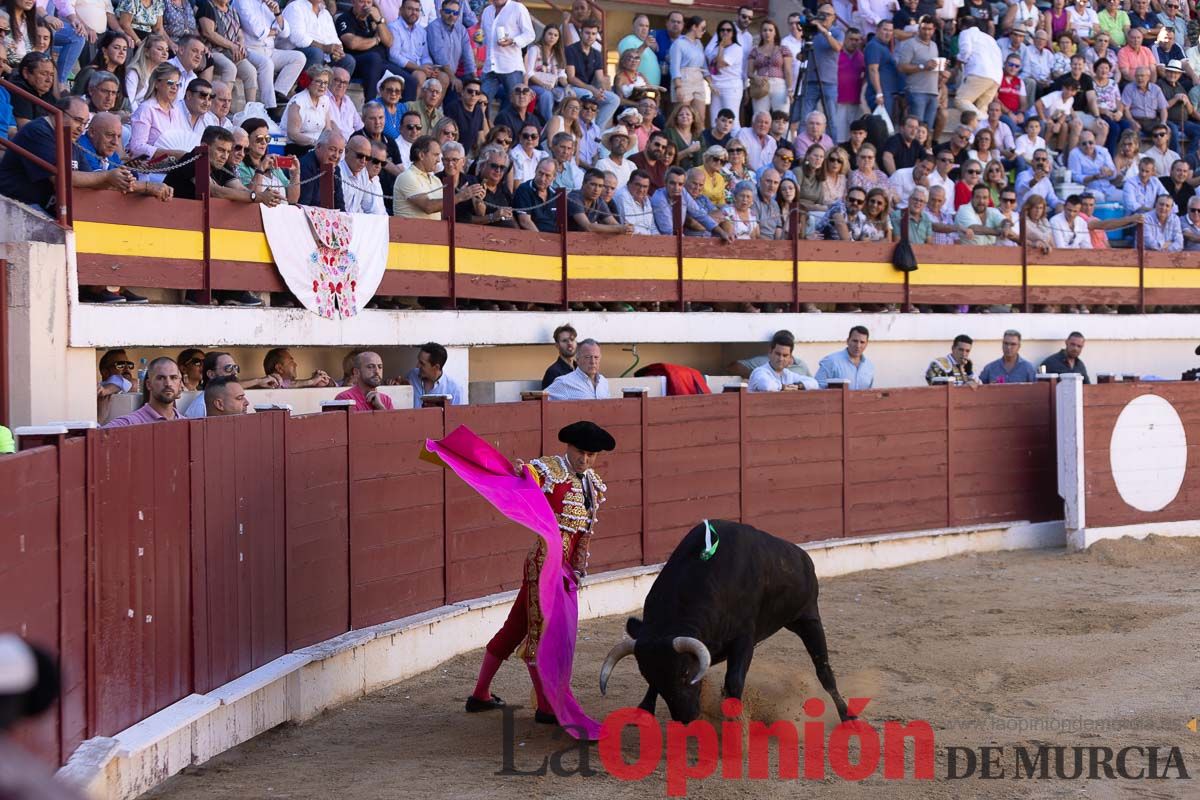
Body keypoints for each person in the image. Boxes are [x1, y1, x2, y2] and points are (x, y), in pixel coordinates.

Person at [463, 419, 614, 727]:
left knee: (515, 628)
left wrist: (577, 570)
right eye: (580, 452)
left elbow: (583, 535)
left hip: (565, 570)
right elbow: (525, 475)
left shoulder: (592, 483)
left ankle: (480, 695)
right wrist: (521, 470)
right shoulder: (550, 470)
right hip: (544, 565)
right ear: (568, 447)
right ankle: (545, 705)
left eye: (591, 454)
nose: (585, 459)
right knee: (543, 633)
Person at [336, 0, 398, 103]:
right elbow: (352, 43)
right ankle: (370, 103)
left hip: (382, 63)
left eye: (369, 2)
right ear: (353, 2)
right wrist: (376, 40)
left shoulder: (373, 19)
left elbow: (389, 42)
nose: (366, 6)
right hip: (359, 62)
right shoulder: (344, 18)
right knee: (374, 58)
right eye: (361, 2)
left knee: (412, 81)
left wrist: (379, 21)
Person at [479, 0, 535, 114]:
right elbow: (485, 38)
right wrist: (479, 40)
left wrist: (513, 41)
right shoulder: (487, 11)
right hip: (490, 66)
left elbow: (530, 34)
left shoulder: (518, 8)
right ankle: (486, 128)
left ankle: (506, 130)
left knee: (515, 106)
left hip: (511, 66)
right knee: (480, 102)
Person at [104, 356, 183, 427]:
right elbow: (96, 438)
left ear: (180, 384)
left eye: (174, 378)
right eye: (161, 378)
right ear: (148, 384)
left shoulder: (187, 424)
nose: (168, 384)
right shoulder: (129, 423)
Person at [747, 330, 818, 392]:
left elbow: (814, 383)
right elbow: (767, 386)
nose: (781, 359)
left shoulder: (788, 374)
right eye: (778, 354)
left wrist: (798, 386)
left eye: (785, 355)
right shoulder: (760, 371)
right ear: (770, 352)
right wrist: (783, 387)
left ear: (790, 357)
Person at [391, 133, 442, 218]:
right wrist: (459, 197)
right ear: (421, 155)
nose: (439, 160)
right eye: (435, 155)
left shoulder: (436, 180)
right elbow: (428, 207)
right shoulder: (407, 177)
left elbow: (443, 210)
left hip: (434, 230)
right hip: (409, 231)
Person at [406, 341, 465, 406]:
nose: (417, 366)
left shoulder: (454, 390)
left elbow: (456, 415)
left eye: (422, 363)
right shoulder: (412, 376)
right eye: (418, 361)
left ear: (436, 367)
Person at [262, 347, 333, 387]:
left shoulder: (290, 384)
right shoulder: (270, 383)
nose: (296, 365)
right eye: (291, 362)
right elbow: (288, 385)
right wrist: (311, 381)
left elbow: (293, 384)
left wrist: (321, 381)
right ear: (279, 368)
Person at [541, 323, 577, 389]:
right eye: (564, 341)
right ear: (557, 345)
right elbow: (549, 398)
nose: (569, 343)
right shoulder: (553, 372)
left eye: (572, 340)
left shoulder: (581, 368)